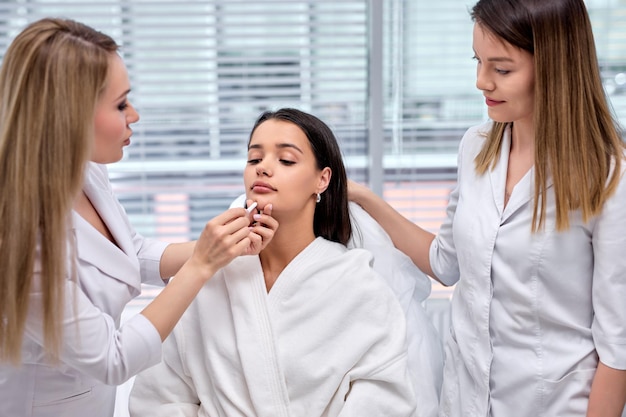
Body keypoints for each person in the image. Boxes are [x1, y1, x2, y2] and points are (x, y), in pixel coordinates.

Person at [348, 0, 626, 416]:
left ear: (555, 67)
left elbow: (617, 347)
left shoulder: (609, 176)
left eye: (502, 69)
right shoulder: (477, 147)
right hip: (464, 400)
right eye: (477, 61)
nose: (481, 82)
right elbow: (445, 263)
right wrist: (362, 197)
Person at [0, 18, 277, 417]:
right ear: (69, 115)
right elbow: (113, 359)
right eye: (119, 104)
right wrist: (202, 265)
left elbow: (129, 251)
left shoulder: (85, 169)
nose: (135, 115)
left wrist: (218, 245)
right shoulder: (19, 237)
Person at [129, 108, 418, 417]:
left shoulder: (359, 286)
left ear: (323, 179)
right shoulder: (206, 279)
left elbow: (384, 399)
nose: (263, 168)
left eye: (286, 160)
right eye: (254, 159)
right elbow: (159, 398)